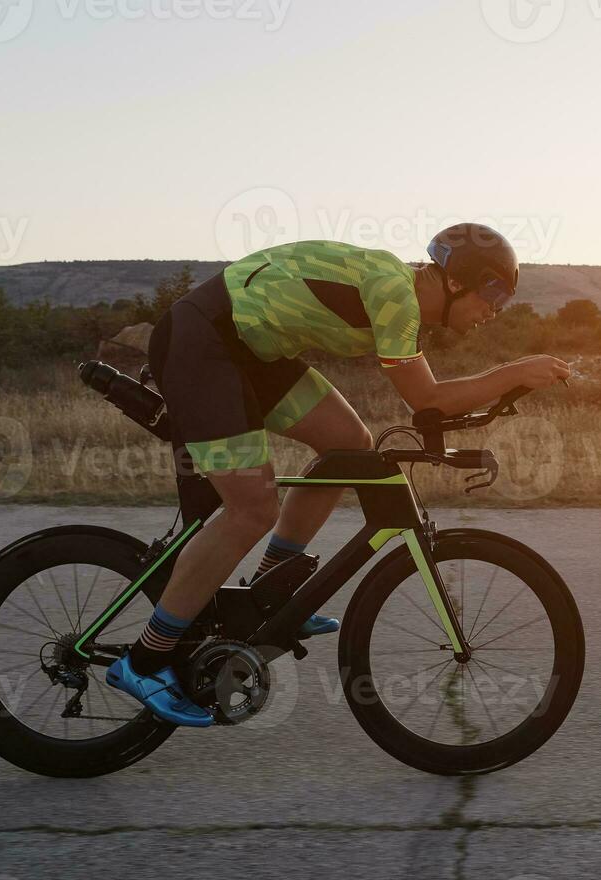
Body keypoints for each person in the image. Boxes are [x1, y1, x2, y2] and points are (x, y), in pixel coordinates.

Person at [106, 223, 572, 726]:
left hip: (252, 351)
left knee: (349, 445)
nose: (495, 310)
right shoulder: (398, 294)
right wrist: (518, 371)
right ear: (458, 280)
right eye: (494, 292)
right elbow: (428, 400)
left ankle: (271, 590)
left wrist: (501, 393)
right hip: (206, 341)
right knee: (252, 508)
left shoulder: (403, 296)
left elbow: (431, 408)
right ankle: (145, 660)